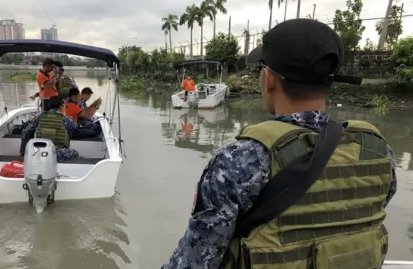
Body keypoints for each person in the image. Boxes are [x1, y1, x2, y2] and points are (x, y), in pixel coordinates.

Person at [162, 19, 397, 269]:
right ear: (329, 81)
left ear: (269, 79)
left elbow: (196, 260)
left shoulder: (241, 158)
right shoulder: (377, 150)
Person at [20, 96, 79, 162]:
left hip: (37, 151)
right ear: (61, 106)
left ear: (49, 105)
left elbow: (25, 132)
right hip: (55, 153)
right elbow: (75, 128)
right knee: (75, 153)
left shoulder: (39, 117)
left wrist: (23, 153)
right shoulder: (66, 119)